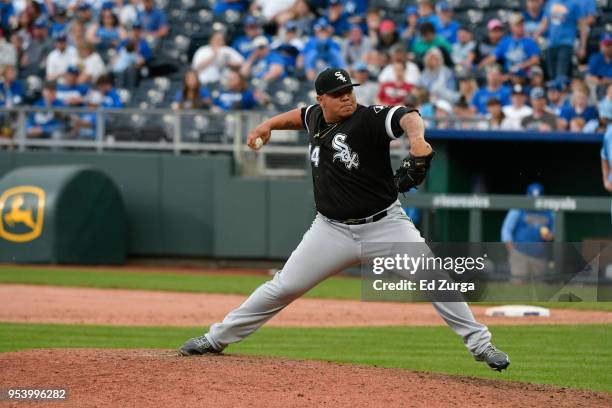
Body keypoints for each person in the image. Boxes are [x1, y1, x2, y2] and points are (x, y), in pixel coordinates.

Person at [178, 67, 511, 373]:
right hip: (330, 230)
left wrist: (417, 139)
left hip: (385, 225)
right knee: (283, 287)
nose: (347, 96)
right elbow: (297, 116)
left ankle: (482, 346)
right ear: (321, 99)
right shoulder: (315, 117)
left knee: (434, 277)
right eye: (338, 93)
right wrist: (267, 125)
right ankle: (216, 338)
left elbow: (407, 115)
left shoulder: (367, 120)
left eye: (349, 90)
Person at [501, 183, 554, 283]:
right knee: (518, 286)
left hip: (539, 256)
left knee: (538, 289)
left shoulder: (549, 212)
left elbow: (555, 232)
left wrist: (550, 235)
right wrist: (511, 249)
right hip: (520, 253)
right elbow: (506, 229)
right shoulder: (518, 209)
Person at [534, 0, 588, 81]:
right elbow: (544, 23)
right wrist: (535, 36)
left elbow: (583, 27)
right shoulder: (550, 3)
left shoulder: (574, 4)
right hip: (551, 43)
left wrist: (583, 47)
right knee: (551, 75)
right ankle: (554, 92)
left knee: (561, 74)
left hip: (566, 43)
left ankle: (561, 90)